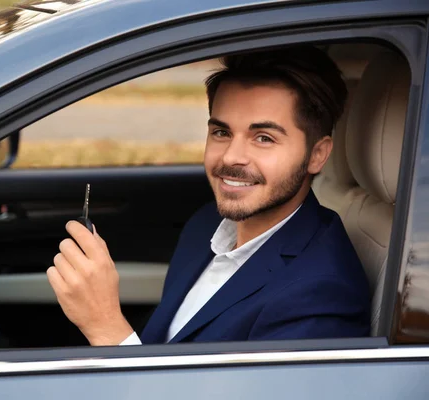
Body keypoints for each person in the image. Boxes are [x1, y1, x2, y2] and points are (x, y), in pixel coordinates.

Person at [46, 45, 371, 346]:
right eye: (221, 132)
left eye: (263, 138)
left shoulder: (322, 296)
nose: (231, 157)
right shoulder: (207, 223)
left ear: (317, 155)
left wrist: (106, 326)